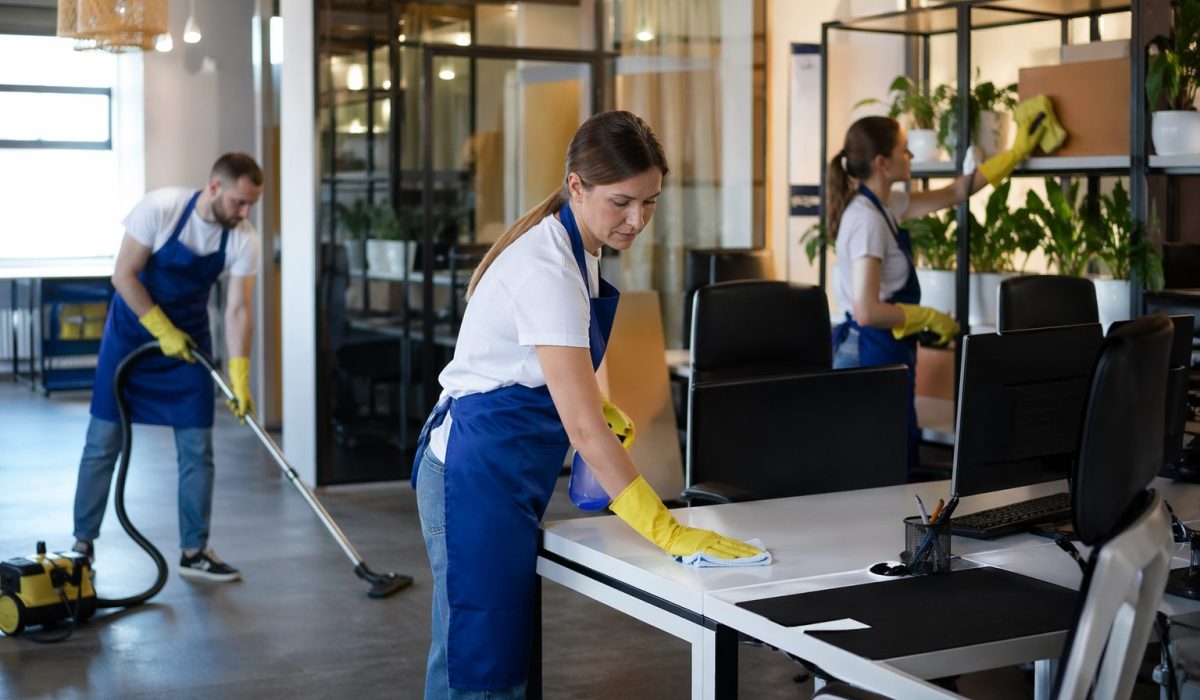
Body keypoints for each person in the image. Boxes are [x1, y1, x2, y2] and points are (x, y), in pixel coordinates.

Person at [412, 110, 761, 699]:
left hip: (506, 464)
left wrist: (600, 407)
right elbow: (580, 426)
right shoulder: (546, 267)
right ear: (577, 185)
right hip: (473, 472)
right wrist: (667, 531)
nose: (637, 220)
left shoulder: (581, 248)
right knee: (479, 660)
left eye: (650, 203)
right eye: (622, 202)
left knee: (497, 650)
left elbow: (566, 380)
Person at [72, 152, 264, 582]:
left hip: (187, 347)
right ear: (214, 187)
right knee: (103, 442)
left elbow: (237, 310)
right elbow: (124, 275)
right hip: (130, 338)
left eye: (251, 204)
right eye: (239, 202)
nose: (245, 212)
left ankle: (194, 551)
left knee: (198, 449)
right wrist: (159, 327)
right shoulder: (161, 208)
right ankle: (82, 545)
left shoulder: (243, 237)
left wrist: (239, 374)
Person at [828, 112, 1048, 471]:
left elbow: (956, 192)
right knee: (881, 468)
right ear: (883, 163)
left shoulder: (887, 206)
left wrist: (1015, 152)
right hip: (869, 354)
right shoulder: (867, 220)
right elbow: (866, 310)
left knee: (896, 458)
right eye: (904, 149)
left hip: (886, 351)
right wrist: (925, 316)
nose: (911, 156)